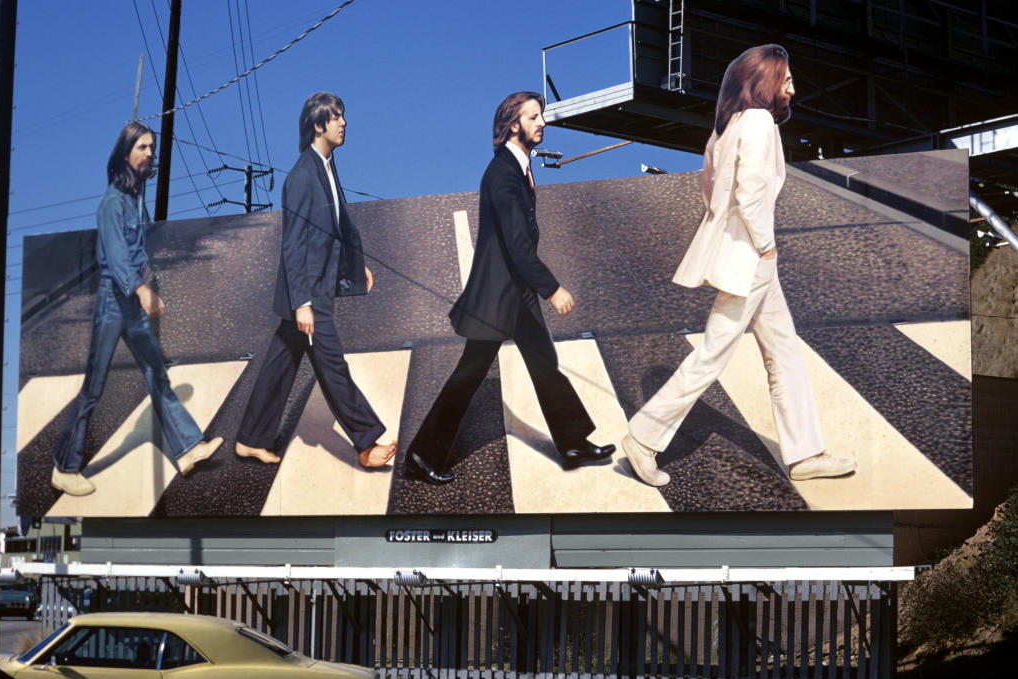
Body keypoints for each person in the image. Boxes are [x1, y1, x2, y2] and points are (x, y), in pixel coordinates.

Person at [622, 45, 857, 487]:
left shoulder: (724, 129)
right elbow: (750, 194)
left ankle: (805, 454)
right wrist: (766, 246)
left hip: (744, 256)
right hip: (753, 259)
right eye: (786, 77)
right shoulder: (760, 123)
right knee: (713, 354)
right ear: (766, 81)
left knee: (783, 348)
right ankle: (644, 437)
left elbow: (710, 194)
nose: (793, 85)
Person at [402, 91, 614, 485]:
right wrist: (552, 288)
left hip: (515, 293)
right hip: (498, 295)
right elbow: (517, 244)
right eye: (534, 117)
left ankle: (572, 443)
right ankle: (421, 454)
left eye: (541, 116)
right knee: (470, 372)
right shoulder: (502, 173)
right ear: (513, 125)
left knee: (544, 363)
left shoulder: (519, 168)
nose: (542, 123)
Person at [51, 122, 222, 496]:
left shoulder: (134, 198)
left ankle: (189, 449)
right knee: (93, 388)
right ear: (125, 152)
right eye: (143, 147)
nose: (149, 153)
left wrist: (146, 273)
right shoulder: (112, 203)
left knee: (156, 373)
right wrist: (143, 289)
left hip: (130, 301)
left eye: (151, 148)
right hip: (115, 301)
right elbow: (115, 258)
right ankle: (64, 468)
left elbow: (137, 250)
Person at [234, 92, 395, 469]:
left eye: (343, 115)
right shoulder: (303, 176)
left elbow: (336, 228)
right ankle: (367, 442)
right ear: (318, 125)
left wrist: (357, 267)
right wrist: (302, 301)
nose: (343, 123)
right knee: (333, 367)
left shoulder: (326, 165)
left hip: (319, 283)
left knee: (281, 361)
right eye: (336, 117)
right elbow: (293, 245)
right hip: (310, 292)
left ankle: (250, 439)